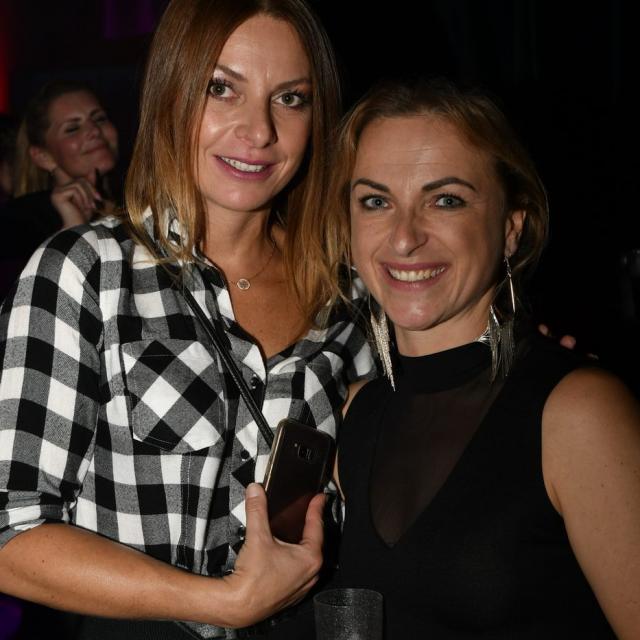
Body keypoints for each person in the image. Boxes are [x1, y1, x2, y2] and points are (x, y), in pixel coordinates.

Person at [0, 1, 374, 639]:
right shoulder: (88, 270)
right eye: (222, 89)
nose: (259, 131)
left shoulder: (348, 290)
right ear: (171, 93)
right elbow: (11, 531)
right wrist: (222, 602)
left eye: (290, 98)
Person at [329, 79, 640, 638]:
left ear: (511, 228)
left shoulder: (578, 412)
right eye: (376, 201)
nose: (404, 237)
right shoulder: (355, 413)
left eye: (445, 200)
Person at [0, 80, 119, 300]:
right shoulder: (21, 220)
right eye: (73, 128)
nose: (94, 131)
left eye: (99, 118)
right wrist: (72, 231)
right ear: (43, 156)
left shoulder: (139, 203)